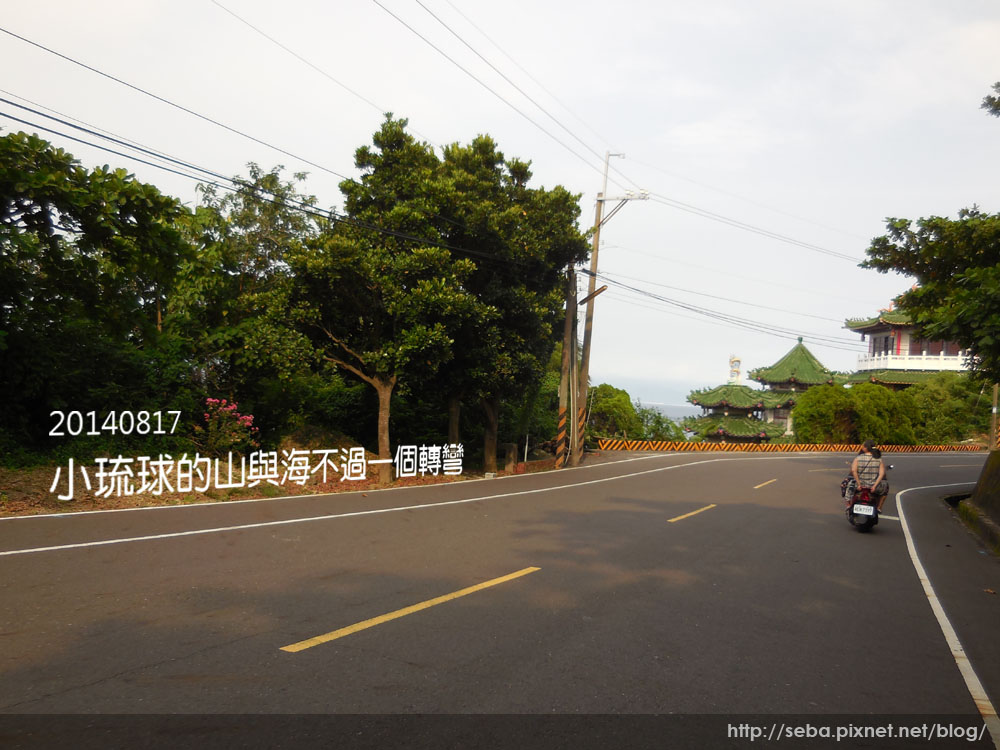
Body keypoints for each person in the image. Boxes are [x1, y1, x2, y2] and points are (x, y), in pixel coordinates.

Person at [850, 439, 888, 512]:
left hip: (860, 486)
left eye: (863, 446)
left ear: (866, 448)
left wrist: (858, 484)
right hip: (873, 487)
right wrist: (874, 486)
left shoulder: (858, 458)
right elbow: (881, 474)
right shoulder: (878, 459)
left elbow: (853, 471)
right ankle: (879, 507)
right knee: (885, 488)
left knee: (848, 486)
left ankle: (849, 504)